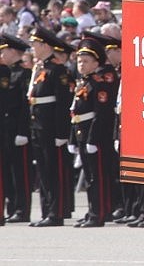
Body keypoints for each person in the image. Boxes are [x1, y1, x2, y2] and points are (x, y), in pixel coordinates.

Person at [70, 37, 118, 227]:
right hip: (82, 131)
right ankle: (92, 211)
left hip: (94, 136)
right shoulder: (84, 82)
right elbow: (75, 111)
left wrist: (92, 139)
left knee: (97, 177)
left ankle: (99, 213)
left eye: (86, 61)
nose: (81, 65)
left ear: (96, 63)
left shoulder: (98, 83)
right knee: (90, 176)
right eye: (79, 61)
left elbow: (100, 113)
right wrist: (74, 138)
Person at [28, 26, 72, 226]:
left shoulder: (57, 69)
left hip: (51, 127)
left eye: (35, 44)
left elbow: (62, 103)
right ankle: (47, 210)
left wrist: (62, 132)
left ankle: (57, 212)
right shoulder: (41, 68)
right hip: (38, 124)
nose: (32, 48)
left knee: (54, 170)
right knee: (44, 170)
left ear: (45, 45)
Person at [0, 33, 31, 223]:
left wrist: (22, 131)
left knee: (20, 171)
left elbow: (24, 106)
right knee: (7, 170)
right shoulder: (6, 71)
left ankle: (22, 208)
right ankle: (12, 205)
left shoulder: (23, 73)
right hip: (6, 127)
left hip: (17, 127)